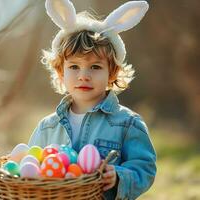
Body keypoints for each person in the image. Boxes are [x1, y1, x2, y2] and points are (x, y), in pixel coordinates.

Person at [28, 0, 156, 199]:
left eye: (95, 67)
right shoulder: (47, 127)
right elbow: (30, 166)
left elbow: (144, 168)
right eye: (74, 67)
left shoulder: (128, 123)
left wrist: (119, 176)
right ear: (60, 72)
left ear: (112, 73)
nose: (83, 76)